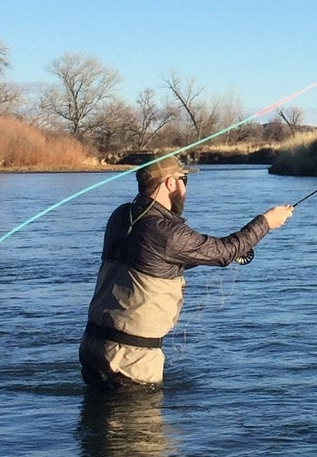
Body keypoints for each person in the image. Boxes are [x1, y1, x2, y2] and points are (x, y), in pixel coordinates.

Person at [79, 159, 293, 389]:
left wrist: (204, 255)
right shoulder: (167, 232)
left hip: (93, 349)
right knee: (140, 425)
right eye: (184, 180)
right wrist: (266, 222)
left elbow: (152, 260)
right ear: (170, 183)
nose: (186, 189)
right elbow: (223, 252)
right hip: (130, 362)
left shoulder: (121, 217)